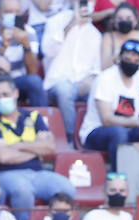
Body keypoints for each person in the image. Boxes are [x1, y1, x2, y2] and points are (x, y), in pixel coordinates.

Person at [0, 75, 75, 220]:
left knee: (66, 188)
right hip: (4, 174)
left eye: (5, 94)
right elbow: (4, 156)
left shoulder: (33, 116)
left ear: (16, 93)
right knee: (23, 189)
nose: (2, 99)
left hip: (37, 173)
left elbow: (49, 147)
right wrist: (34, 148)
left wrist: (18, 145)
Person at [80, 39, 139, 169]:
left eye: (137, 60)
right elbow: (107, 120)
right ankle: (118, 178)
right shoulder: (105, 78)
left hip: (129, 130)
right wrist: (138, 122)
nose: (132, 62)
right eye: (129, 58)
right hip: (96, 132)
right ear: (120, 57)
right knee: (119, 133)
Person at [42, 0, 102, 144]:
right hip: (57, 82)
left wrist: (90, 80)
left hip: (82, 83)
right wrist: (71, 25)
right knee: (65, 90)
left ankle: (92, 137)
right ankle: (71, 138)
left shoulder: (95, 33)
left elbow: (96, 68)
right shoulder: (55, 21)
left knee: (100, 90)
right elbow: (48, 51)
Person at [0, 0, 45, 107]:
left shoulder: (29, 32)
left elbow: (33, 71)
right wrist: (4, 46)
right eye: (8, 12)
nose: (13, 15)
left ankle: (39, 119)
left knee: (35, 81)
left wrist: (26, 45)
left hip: (16, 80)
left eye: (17, 12)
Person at [100, 2, 139, 75]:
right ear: (114, 21)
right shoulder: (108, 37)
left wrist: (135, 55)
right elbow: (104, 67)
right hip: (114, 77)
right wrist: (121, 53)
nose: (124, 21)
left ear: (136, 20)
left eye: (128, 18)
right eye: (120, 18)